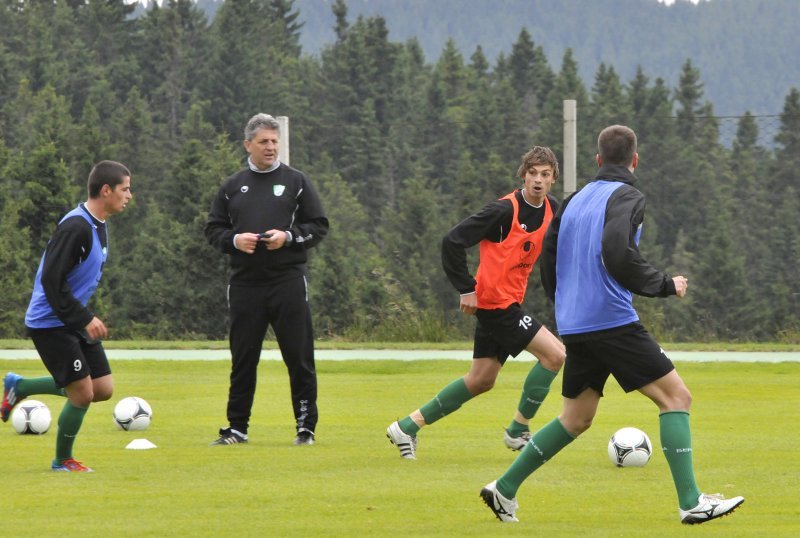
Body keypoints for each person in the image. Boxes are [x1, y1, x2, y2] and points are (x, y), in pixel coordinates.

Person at [480, 125, 744, 524]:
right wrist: (663, 284)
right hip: (611, 320)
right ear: (635, 160)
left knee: (576, 418)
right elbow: (617, 251)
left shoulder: (572, 200)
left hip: (575, 323)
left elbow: (549, 259)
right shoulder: (628, 195)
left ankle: (504, 489)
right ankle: (691, 502)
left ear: (598, 160)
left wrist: (565, 304)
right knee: (676, 398)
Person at [387, 146, 566, 459]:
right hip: (496, 304)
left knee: (481, 380)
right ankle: (517, 431)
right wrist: (466, 288)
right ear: (523, 175)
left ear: (552, 180)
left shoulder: (552, 210)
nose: (538, 180)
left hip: (507, 303)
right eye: (533, 173)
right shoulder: (501, 211)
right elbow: (452, 241)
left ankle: (406, 426)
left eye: (545, 175)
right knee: (554, 355)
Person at [205, 113, 329, 447]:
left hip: (288, 280)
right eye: (264, 141)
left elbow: (319, 226)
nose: (271, 147)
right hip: (245, 284)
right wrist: (235, 241)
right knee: (243, 358)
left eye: (274, 141)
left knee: (299, 357)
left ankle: (305, 427)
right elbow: (213, 229)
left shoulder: (296, 182)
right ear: (248, 145)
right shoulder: (232, 187)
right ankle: (237, 428)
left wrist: (287, 237)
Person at [2, 161, 133, 472]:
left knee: (102, 389)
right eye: (125, 189)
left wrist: (81, 317)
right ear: (106, 190)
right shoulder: (76, 227)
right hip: (50, 323)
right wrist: (85, 317)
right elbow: (51, 281)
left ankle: (19, 387)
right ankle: (62, 460)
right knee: (83, 393)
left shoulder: (98, 223)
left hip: (71, 319)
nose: (130, 195)